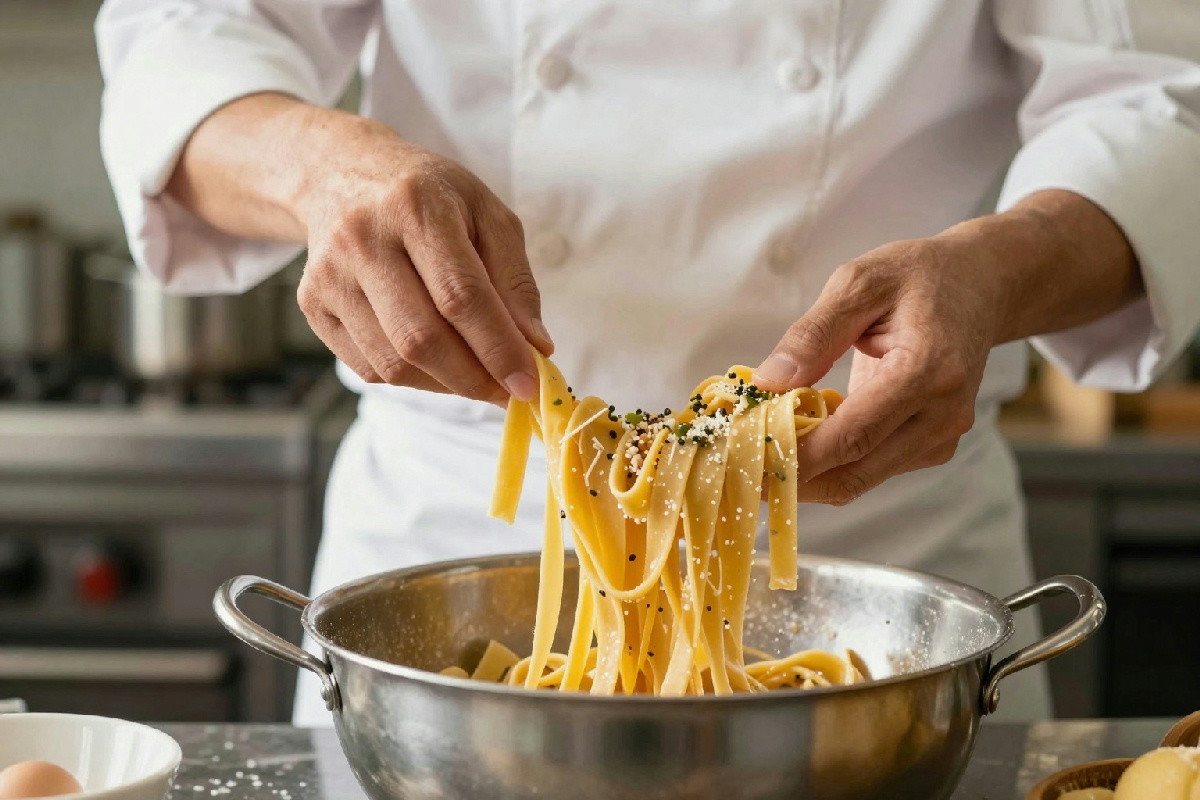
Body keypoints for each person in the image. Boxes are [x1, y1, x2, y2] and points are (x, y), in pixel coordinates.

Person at [95, 1, 1200, 725]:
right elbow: (179, 40)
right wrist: (321, 165)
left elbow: (1160, 102)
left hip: (882, 603)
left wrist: (997, 272)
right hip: (448, 584)